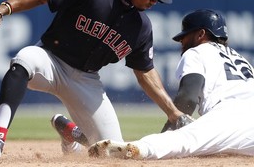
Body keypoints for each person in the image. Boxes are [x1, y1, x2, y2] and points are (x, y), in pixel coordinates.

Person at [0, 0, 189, 160]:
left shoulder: (141, 28)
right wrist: (1, 10)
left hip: (85, 81)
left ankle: (74, 135)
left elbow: (145, 72)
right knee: (24, 60)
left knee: (114, 150)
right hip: (50, 61)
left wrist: (173, 113)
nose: (154, 1)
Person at [88, 9, 254, 159]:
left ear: (201, 34)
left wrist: (168, 133)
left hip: (229, 114)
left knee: (186, 140)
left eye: (185, 35)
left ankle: (138, 148)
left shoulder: (197, 51)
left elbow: (187, 98)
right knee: (222, 147)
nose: (181, 40)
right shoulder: (240, 58)